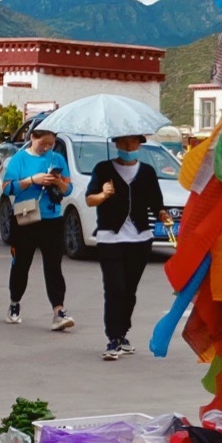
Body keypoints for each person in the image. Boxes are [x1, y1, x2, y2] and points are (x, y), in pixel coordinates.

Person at [84, 133, 164, 360]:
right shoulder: (103, 169)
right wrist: (103, 194)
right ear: (116, 144)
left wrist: (162, 214)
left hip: (140, 239)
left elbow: (155, 202)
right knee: (114, 288)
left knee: (129, 291)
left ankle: (123, 332)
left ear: (139, 144)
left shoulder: (147, 172)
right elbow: (90, 199)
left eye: (134, 142)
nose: (130, 146)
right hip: (110, 238)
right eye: (125, 142)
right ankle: (113, 338)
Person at [0, 125, 75, 331]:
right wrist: (33, 180)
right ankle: (15, 303)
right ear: (32, 137)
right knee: (21, 264)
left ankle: (59, 311)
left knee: (54, 266)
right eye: (43, 143)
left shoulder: (57, 159)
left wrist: (57, 181)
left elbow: (68, 188)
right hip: (26, 219)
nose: (47, 148)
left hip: (52, 218)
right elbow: (7, 187)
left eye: (51, 144)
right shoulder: (19, 159)